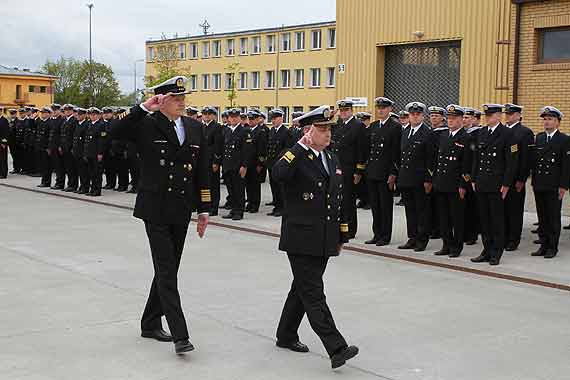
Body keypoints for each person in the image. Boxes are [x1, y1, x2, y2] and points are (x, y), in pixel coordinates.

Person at [111, 76, 211, 354]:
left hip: (181, 208)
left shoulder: (194, 127)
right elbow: (116, 132)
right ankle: (181, 335)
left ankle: (149, 323)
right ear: (162, 100)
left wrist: (204, 208)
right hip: (154, 208)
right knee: (167, 270)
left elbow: (202, 169)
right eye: (176, 98)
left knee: (168, 269)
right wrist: (144, 107)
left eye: (183, 98)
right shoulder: (145, 123)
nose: (182, 102)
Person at [274, 105, 359, 370]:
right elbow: (277, 175)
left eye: (329, 129)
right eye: (321, 129)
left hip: (324, 237)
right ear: (308, 130)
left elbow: (340, 199)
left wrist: (342, 233)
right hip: (300, 237)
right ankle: (336, 347)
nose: (327, 134)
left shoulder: (331, 159)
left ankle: (286, 334)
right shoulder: (295, 156)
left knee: (302, 288)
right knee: (313, 292)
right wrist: (299, 146)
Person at [470, 104, 517, 266]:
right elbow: (476, 157)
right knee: (484, 219)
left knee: (496, 219)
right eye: (486, 115)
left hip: (497, 184)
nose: (488, 118)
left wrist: (506, 184)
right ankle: (486, 250)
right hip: (482, 182)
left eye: (491, 115)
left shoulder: (508, 134)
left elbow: (511, 162)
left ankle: (496, 252)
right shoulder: (482, 132)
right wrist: (474, 179)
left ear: (498, 116)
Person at [530, 106, 569, 259]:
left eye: (550, 119)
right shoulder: (539, 137)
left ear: (558, 122)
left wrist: (563, 185)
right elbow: (534, 161)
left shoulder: (564, 140)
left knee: (553, 217)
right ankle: (543, 245)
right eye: (545, 119)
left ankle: (552, 247)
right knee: (542, 217)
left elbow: (566, 166)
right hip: (539, 183)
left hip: (554, 185)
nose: (546, 122)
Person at [432, 105, 471, 257]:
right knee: (443, 217)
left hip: (456, 185)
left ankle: (457, 246)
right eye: (449, 118)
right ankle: (446, 244)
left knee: (457, 218)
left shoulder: (466, 138)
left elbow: (467, 164)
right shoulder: (443, 136)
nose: (450, 121)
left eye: (454, 118)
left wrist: (463, 184)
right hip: (442, 182)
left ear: (461, 119)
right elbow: (438, 160)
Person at [397, 102, 434, 252]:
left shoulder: (427, 133)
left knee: (421, 211)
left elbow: (430, 159)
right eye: (412, 114)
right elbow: (402, 156)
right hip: (406, 178)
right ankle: (412, 237)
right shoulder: (405, 132)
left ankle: (422, 240)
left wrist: (428, 179)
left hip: (420, 179)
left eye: (418, 114)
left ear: (423, 116)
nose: (414, 116)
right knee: (410, 211)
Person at [364, 97, 401, 246]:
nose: (380, 110)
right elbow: (368, 150)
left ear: (390, 109)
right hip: (373, 171)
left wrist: (393, 173)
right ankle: (376, 234)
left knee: (385, 206)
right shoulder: (373, 126)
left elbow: (396, 153)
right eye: (378, 108)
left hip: (386, 173)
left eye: (384, 108)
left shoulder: (395, 127)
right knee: (375, 205)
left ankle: (385, 236)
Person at [330, 100, 367, 239]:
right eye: (342, 110)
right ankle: (341, 226)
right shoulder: (338, 124)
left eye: (346, 110)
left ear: (351, 110)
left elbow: (361, 150)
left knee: (348, 200)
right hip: (338, 168)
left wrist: (359, 171)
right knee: (338, 199)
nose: (344, 112)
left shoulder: (358, 126)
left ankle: (350, 229)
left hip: (350, 169)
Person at [503, 103, 534, 251]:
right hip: (502, 178)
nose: (507, 116)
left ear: (518, 115)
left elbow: (526, 159)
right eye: (506, 114)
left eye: (510, 114)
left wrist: (522, 179)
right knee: (502, 210)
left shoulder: (525, 132)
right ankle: (503, 236)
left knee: (514, 210)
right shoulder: (502, 130)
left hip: (516, 180)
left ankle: (513, 239)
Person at [222, 108, 253, 220]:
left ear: (239, 118)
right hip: (228, 165)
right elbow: (224, 148)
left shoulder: (245, 131)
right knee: (231, 190)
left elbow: (247, 150)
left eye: (235, 117)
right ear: (229, 118)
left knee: (239, 190)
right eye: (231, 117)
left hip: (238, 166)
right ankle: (233, 209)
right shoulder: (226, 130)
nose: (233, 119)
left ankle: (239, 212)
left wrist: (244, 166)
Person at [266, 108, 290, 217]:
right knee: (274, 187)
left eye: (275, 118)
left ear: (281, 118)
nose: (273, 121)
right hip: (271, 164)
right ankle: (276, 206)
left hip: (280, 164)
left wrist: (280, 160)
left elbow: (287, 148)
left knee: (280, 188)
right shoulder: (271, 131)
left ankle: (282, 208)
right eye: (272, 118)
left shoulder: (286, 132)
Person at [202, 106, 224, 216]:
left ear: (213, 115)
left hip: (212, 160)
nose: (206, 116)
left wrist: (216, 161)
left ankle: (214, 207)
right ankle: (206, 205)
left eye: (209, 114)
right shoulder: (202, 126)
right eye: (205, 114)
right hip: (203, 160)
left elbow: (218, 145)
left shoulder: (216, 127)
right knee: (205, 185)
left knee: (213, 185)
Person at [245, 109, 268, 213]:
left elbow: (262, 149)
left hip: (255, 163)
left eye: (252, 119)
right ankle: (250, 202)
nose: (250, 121)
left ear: (258, 119)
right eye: (249, 119)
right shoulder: (247, 130)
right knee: (248, 185)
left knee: (255, 185)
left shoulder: (261, 132)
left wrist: (260, 163)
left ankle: (255, 204)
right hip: (248, 162)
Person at [60, 104, 79, 192]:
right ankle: (69, 184)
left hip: (70, 148)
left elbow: (74, 136)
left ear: (72, 110)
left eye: (69, 110)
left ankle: (73, 185)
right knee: (67, 167)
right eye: (65, 110)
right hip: (64, 147)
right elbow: (62, 135)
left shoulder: (74, 120)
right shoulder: (64, 120)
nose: (67, 111)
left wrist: (73, 148)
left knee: (72, 168)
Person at [71, 108, 90, 194]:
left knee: (84, 171)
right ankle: (81, 186)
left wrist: (85, 152)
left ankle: (85, 187)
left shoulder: (86, 124)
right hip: (76, 151)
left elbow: (86, 140)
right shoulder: (77, 124)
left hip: (82, 151)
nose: (78, 116)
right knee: (78, 170)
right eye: (77, 115)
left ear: (84, 115)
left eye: (80, 115)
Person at [0, 107, 9, 178]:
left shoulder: (4, 120)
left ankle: (3, 173)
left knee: (3, 159)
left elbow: (6, 133)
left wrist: (4, 143)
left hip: (2, 143)